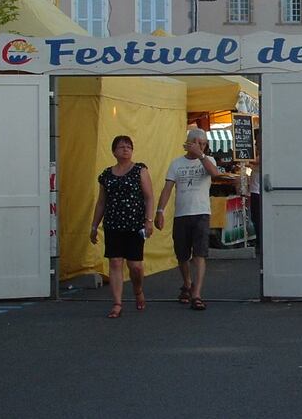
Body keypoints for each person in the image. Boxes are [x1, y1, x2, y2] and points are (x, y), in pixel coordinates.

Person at [89, 135, 154, 319]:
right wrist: (94, 225)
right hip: (113, 223)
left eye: (128, 146)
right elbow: (101, 202)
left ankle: (138, 289)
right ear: (114, 151)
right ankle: (117, 303)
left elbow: (149, 196)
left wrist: (149, 221)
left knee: (135, 266)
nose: (125, 149)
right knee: (115, 262)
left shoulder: (139, 170)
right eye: (121, 147)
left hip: (134, 224)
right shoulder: (107, 175)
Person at [155, 128, 220, 311]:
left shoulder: (208, 160)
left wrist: (201, 156)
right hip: (181, 213)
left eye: (204, 144)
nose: (201, 146)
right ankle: (187, 283)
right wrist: (160, 210)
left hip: (201, 212)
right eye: (198, 143)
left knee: (199, 253)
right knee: (182, 254)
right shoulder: (176, 164)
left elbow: (215, 174)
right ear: (189, 143)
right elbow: (167, 188)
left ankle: (197, 293)